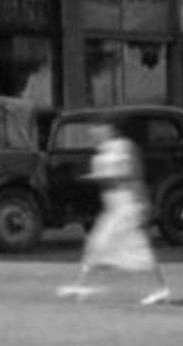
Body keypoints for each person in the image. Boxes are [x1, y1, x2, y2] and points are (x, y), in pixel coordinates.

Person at [58, 121, 171, 306]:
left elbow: (128, 174)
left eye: (98, 131)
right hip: (115, 208)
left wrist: (99, 178)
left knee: (137, 250)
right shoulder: (103, 151)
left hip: (128, 205)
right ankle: (80, 286)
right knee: (97, 244)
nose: (94, 137)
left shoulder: (123, 147)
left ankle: (160, 290)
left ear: (109, 131)